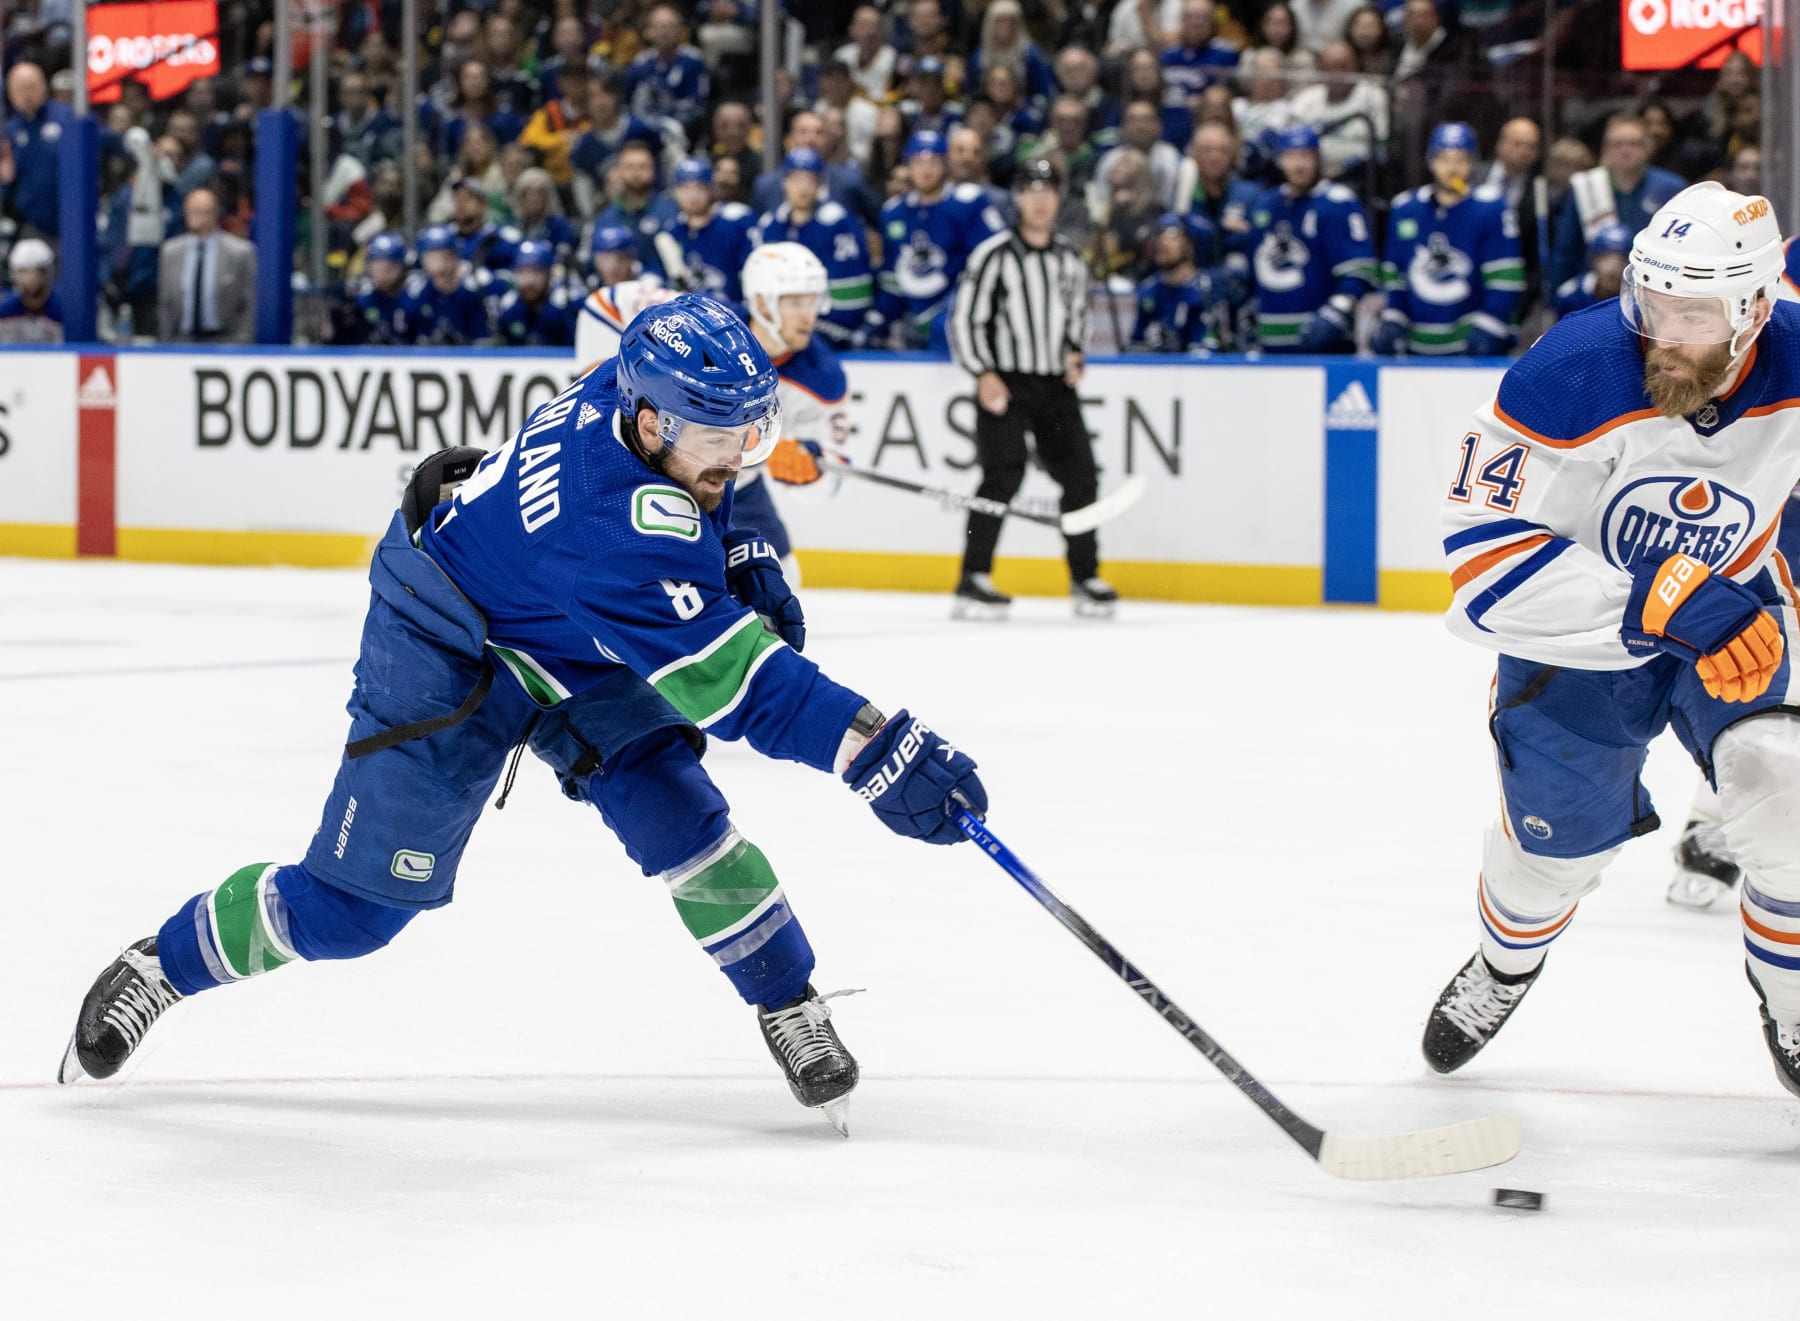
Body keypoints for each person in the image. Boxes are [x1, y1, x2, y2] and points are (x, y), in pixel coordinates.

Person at [58, 293, 988, 1141]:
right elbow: (742, 690)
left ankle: (787, 998)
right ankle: (161, 964)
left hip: (560, 626)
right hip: (448, 639)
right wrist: (878, 748)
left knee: (677, 809)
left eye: (754, 431)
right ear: (656, 419)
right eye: (722, 436)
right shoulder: (612, 528)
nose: (740, 454)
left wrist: (737, 542)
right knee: (351, 912)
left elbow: (708, 491)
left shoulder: (628, 396)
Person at [1419, 183, 1800, 1099]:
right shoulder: (1569, 369)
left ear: (1755, 309)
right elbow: (1479, 568)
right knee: (1552, 861)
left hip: (1734, 622)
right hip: (1577, 651)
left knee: (1786, 786)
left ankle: (1793, 1003)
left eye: (1694, 314)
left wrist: (1732, 589)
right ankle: (1504, 965)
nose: (1664, 331)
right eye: (1652, 302)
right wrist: (1659, 597)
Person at [949, 158, 1116, 621]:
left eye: (1048, 190)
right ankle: (973, 577)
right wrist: (982, 373)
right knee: (1002, 476)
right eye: (1031, 190)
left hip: (1053, 385)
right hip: (1005, 380)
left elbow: (1077, 317)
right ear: (1018, 198)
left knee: (1081, 475)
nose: (1040, 200)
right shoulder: (994, 255)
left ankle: (1086, 575)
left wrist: (1074, 353)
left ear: (1058, 197)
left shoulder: (1069, 258)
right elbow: (965, 319)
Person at [732, 243, 853, 581]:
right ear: (760, 302)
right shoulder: (710, 330)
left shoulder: (822, 376)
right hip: (663, 477)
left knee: (781, 580)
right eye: (795, 302)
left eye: (812, 301)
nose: (809, 315)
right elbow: (605, 308)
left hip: (735, 488)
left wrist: (808, 473)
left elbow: (832, 474)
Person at [1372, 121, 1523, 357]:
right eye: (1444, 159)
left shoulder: (1491, 208)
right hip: (1416, 342)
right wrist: (1394, 317)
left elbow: (1506, 278)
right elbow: (1393, 273)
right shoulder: (1406, 208)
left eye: (1460, 159)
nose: (1452, 169)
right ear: (1431, 161)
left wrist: (1490, 324)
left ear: (1472, 163)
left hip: (1469, 339)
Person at [865, 130, 1004, 351]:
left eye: (933, 162)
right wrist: (878, 318)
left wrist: (959, 304)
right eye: (919, 162)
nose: (926, 170)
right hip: (914, 323)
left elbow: (997, 258)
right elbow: (892, 277)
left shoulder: (967, 203)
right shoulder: (894, 212)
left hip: (962, 322)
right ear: (908, 166)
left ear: (945, 164)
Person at [1246, 124, 1375, 352]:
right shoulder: (1266, 205)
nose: (1298, 165)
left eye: (1306, 156)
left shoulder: (1337, 203)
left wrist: (1337, 311)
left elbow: (1359, 270)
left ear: (1317, 159)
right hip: (1270, 342)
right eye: (1291, 156)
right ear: (1280, 160)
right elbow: (1253, 266)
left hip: (1324, 344)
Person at [1548, 111, 1685, 296]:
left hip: (1654, 293)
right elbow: (1565, 251)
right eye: (1617, 144)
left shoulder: (1673, 189)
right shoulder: (1585, 188)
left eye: (1633, 143)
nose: (1625, 150)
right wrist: (1559, 295)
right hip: (1595, 296)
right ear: (1605, 150)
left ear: (1649, 147)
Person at [757, 147, 874, 347]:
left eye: (809, 180)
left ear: (820, 184)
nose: (803, 187)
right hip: (782, 332)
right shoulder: (769, 225)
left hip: (829, 333)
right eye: (796, 179)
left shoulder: (838, 223)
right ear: (784, 182)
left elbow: (853, 294)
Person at [157, 187, 257, 343]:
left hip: (224, 341)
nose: (195, 216)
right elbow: (165, 303)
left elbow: (249, 303)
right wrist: (166, 342)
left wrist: (241, 343)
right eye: (191, 210)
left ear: (215, 213)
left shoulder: (240, 252)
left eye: (201, 211)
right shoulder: (170, 252)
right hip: (180, 342)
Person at [574, 224, 675, 375]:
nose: (612, 267)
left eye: (619, 259)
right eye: (605, 259)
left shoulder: (652, 285)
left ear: (631, 257)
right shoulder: (590, 290)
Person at [659, 157, 759, 304]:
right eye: (685, 189)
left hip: (736, 314)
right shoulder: (672, 231)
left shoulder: (737, 221)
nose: (692, 196)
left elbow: (754, 273)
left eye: (699, 188)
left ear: (712, 189)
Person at [1131, 214, 1218, 353]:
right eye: (1160, 234)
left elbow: (1206, 355)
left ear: (1189, 245)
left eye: (1172, 236)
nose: (1163, 241)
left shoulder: (1204, 291)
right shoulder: (1148, 291)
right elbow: (1136, 346)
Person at [400, 225, 493, 346]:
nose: (438, 264)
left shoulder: (480, 284)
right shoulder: (415, 292)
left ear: (456, 255)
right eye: (431, 258)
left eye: (444, 256)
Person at [492, 240, 577, 347]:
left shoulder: (567, 305)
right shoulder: (508, 306)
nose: (529, 280)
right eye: (521, 272)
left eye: (536, 272)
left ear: (550, 274)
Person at [343, 230, 412, 346]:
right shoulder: (362, 299)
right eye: (377, 268)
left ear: (401, 267)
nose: (382, 275)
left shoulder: (414, 298)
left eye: (388, 268)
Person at [1551, 222, 1630, 319]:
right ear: (1593, 259)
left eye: (1621, 260)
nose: (1612, 269)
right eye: (1605, 258)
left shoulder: (1638, 300)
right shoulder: (1570, 295)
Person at [0, 237, 63, 343]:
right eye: (21, 271)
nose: (28, 278)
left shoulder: (64, 307)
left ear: (47, 272)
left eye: (38, 271)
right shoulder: (5, 307)